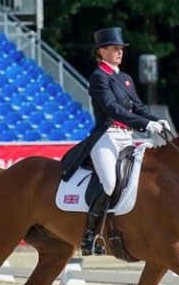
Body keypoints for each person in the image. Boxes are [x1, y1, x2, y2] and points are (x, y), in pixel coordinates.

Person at [60, 27, 170, 256]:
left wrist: (155, 120)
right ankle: (90, 236)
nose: (120, 52)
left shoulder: (125, 78)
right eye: (114, 48)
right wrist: (145, 125)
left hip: (127, 137)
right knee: (109, 182)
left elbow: (138, 107)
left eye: (121, 49)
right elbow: (113, 108)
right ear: (101, 51)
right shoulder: (98, 77)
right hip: (107, 136)